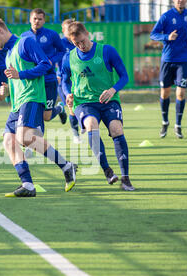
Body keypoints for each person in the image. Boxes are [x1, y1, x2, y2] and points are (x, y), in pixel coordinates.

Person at [0, 19, 77, 197]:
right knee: (9, 141)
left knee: (24, 137)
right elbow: (15, 82)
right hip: (17, 103)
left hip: (32, 97)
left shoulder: (25, 42)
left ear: (1, 29)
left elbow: (45, 64)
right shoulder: (9, 53)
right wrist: (5, 92)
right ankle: (27, 184)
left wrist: (21, 75)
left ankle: (66, 166)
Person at [61, 22, 134, 190]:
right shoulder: (69, 57)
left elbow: (124, 76)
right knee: (91, 125)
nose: (81, 45)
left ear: (87, 33)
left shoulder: (107, 50)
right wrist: (68, 94)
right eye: (76, 43)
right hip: (84, 102)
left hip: (108, 100)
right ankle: (107, 170)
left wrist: (113, 89)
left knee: (116, 129)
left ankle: (126, 178)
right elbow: (64, 80)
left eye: (82, 41)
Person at [150, 0, 187, 139]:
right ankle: (165, 122)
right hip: (168, 60)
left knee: (181, 93)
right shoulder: (166, 16)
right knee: (165, 94)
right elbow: (153, 34)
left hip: (183, 60)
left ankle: (178, 125)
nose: (180, 1)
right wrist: (167, 37)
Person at [21, 8, 67, 127]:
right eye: (34, 18)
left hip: (48, 79)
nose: (37, 21)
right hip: (33, 80)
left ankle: (59, 109)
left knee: (46, 116)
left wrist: (51, 61)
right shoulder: (24, 37)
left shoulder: (52, 34)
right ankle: (32, 141)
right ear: (30, 19)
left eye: (40, 19)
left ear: (44, 20)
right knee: (34, 112)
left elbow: (62, 51)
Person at [57, 18, 82, 144]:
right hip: (65, 79)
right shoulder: (59, 43)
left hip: (80, 79)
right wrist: (57, 74)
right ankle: (76, 135)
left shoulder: (79, 41)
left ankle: (84, 123)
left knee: (83, 105)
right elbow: (56, 59)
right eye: (68, 28)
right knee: (71, 107)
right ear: (63, 30)